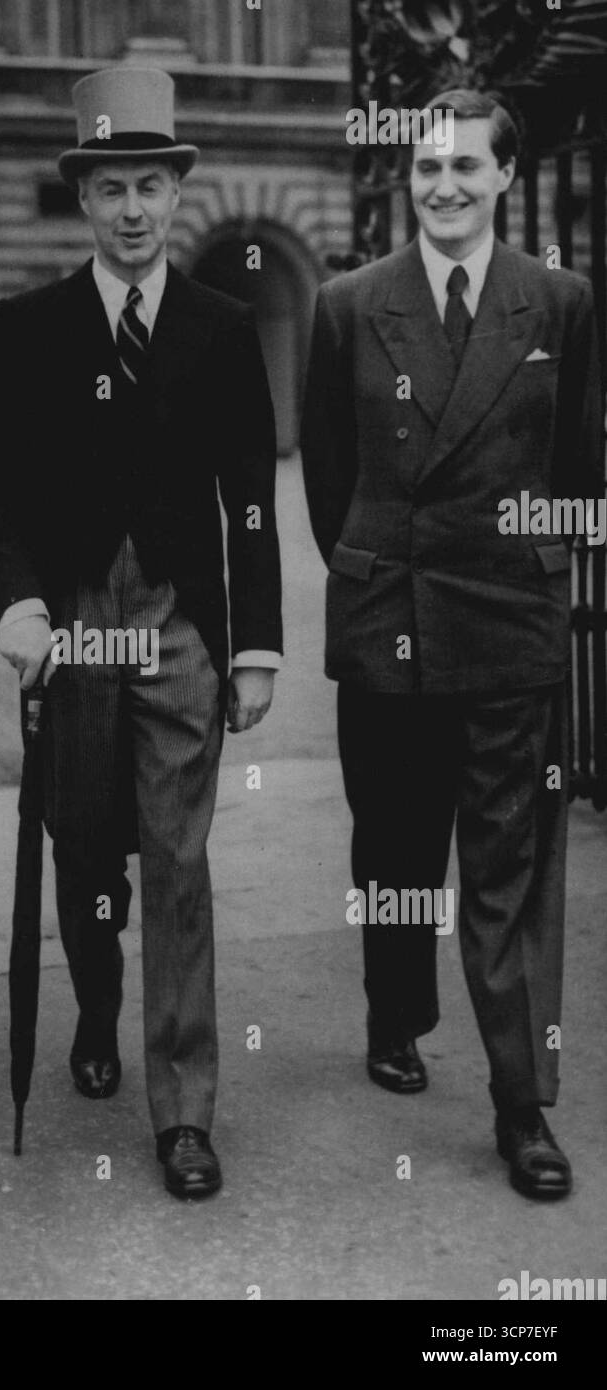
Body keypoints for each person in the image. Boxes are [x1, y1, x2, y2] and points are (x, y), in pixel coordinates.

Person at [0, 67, 282, 1200]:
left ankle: (184, 1110)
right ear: (84, 200)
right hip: (73, 627)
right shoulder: (33, 326)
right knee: (85, 847)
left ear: (173, 194)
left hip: (180, 625)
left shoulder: (219, 327)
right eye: (112, 188)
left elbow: (248, 496)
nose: (134, 209)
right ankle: (95, 1005)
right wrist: (17, 606)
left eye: (151, 184)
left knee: (180, 864)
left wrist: (254, 648)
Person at [301, 89, 602, 1199]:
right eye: (425, 167)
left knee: (508, 878)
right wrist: (378, 571)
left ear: (503, 178)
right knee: (393, 849)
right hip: (389, 623)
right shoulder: (346, 305)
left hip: (507, 630)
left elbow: (574, 471)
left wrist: (528, 568)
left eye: (465, 169)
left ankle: (520, 1104)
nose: (441, 186)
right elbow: (329, 484)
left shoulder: (557, 301)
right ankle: (396, 1011)